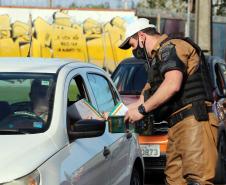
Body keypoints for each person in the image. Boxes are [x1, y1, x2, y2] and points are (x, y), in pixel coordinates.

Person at [119, 18, 219, 185]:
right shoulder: (157, 62)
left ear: (142, 36)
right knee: (174, 180)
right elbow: (142, 100)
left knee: (198, 180)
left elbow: (173, 84)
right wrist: (113, 114)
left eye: (132, 44)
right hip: (176, 126)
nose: (133, 50)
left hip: (194, 121)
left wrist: (142, 110)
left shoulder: (173, 47)